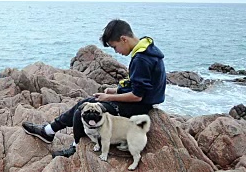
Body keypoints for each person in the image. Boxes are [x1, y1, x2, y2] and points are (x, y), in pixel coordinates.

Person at [22, 19, 166, 157]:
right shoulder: (147, 48)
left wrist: (109, 97)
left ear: (124, 39)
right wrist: (116, 91)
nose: (116, 52)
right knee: (87, 102)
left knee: (82, 109)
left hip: (138, 106)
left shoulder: (141, 59)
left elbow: (137, 95)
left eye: (115, 46)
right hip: (143, 101)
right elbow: (142, 84)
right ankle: (49, 131)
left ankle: (75, 147)